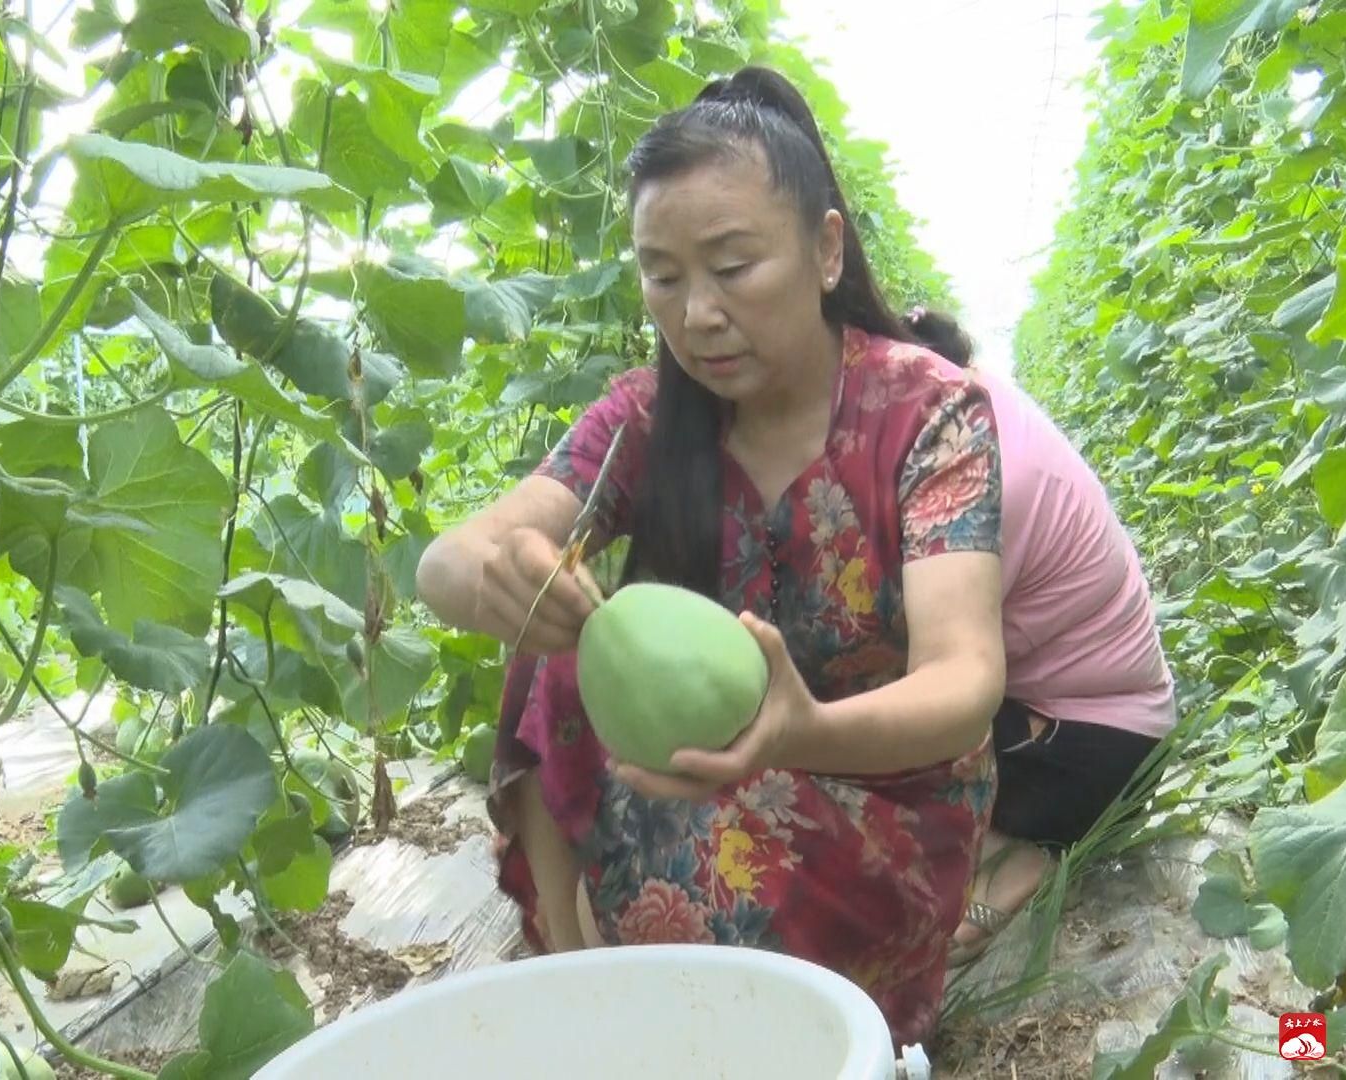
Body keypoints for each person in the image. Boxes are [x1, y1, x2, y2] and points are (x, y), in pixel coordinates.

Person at [415, 65, 1008, 1051]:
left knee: (731, 1002)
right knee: (551, 635)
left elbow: (966, 679)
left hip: (881, 804)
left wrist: (797, 732)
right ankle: (575, 970)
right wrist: (503, 573)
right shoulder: (646, 418)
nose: (696, 314)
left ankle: (668, 1002)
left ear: (824, 252)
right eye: (663, 275)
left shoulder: (926, 413)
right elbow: (447, 560)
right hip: (692, 772)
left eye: (732, 267)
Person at [896, 308, 1176, 964]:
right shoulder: (970, 405)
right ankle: (993, 847)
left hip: (1089, 751)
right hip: (1088, 717)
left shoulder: (979, 477)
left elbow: (919, 664)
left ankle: (1014, 856)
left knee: (859, 772)